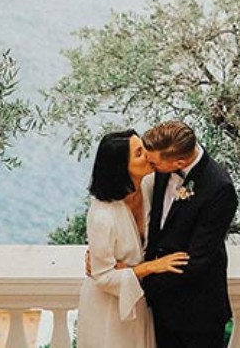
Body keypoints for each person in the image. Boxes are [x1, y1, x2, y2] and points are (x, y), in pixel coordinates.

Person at [76, 129, 190, 348]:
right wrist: (152, 267)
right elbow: (103, 277)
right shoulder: (102, 215)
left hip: (138, 299)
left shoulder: (148, 186)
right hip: (108, 308)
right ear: (121, 167)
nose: (148, 155)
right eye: (139, 153)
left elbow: (179, 145)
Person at [141, 120, 238, 348]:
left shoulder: (220, 188)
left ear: (180, 162)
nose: (148, 165)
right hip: (162, 309)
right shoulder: (164, 166)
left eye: (153, 163)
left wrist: (141, 281)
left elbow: (198, 259)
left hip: (198, 311)